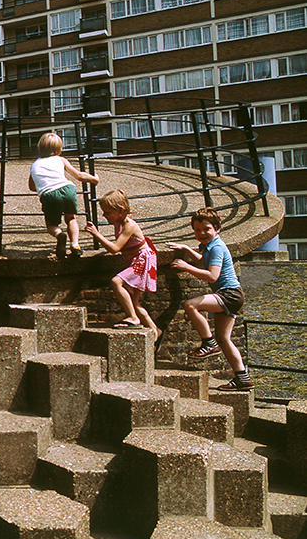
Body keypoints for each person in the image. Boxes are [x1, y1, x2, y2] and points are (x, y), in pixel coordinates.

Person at [169, 207, 253, 391]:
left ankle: (208, 343)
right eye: (197, 230)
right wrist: (185, 249)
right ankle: (242, 378)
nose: (201, 233)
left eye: (206, 229)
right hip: (232, 295)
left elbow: (212, 276)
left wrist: (184, 266)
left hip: (228, 294)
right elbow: (202, 262)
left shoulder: (217, 247)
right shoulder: (209, 247)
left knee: (191, 305)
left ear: (217, 229)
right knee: (224, 339)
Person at [85, 190, 160, 339]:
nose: (104, 216)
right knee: (134, 302)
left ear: (121, 211)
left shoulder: (129, 225)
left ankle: (132, 318)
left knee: (115, 282)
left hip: (142, 260)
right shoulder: (118, 223)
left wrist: (97, 234)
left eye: (107, 213)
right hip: (135, 259)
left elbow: (114, 249)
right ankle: (156, 331)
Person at [29, 132, 99, 258]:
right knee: (71, 218)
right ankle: (75, 245)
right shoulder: (61, 160)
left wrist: (43, 187)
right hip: (67, 189)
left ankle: (59, 234)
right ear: (59, 149)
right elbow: (79, 175)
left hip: (49, 194)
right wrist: (94, 179)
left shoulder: (35, 165)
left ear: (40, 148)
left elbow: (32, 187)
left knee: (51, 224)